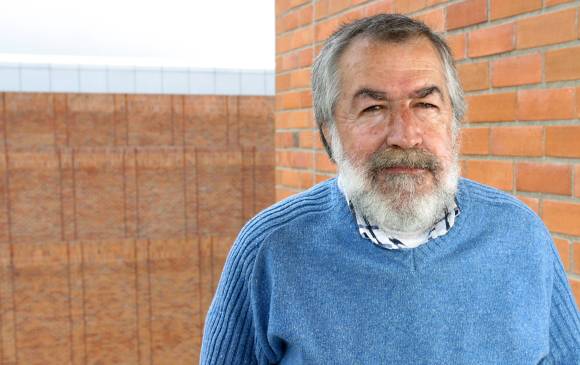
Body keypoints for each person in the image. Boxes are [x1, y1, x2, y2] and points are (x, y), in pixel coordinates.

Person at [201, 14, 580, 364]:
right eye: (374, 109)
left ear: (454, 123)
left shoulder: (521, 235)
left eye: (426, 104)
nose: (405, 135)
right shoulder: (270, 249)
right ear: (328, 133)